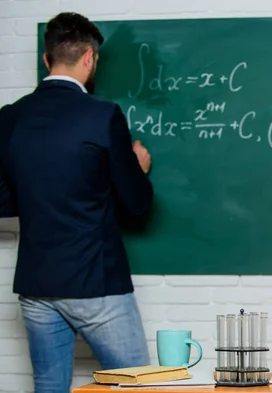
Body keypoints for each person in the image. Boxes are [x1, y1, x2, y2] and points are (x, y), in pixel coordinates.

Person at [0, 12, 153, 393]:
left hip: (37, 285)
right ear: (89, 58)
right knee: (138, 388)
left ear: (46, 59)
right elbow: (136, 203)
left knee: (49, 388)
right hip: (96, 284)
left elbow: (3, 203)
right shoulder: (103, 115)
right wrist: (137, 167)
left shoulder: (9, 117)